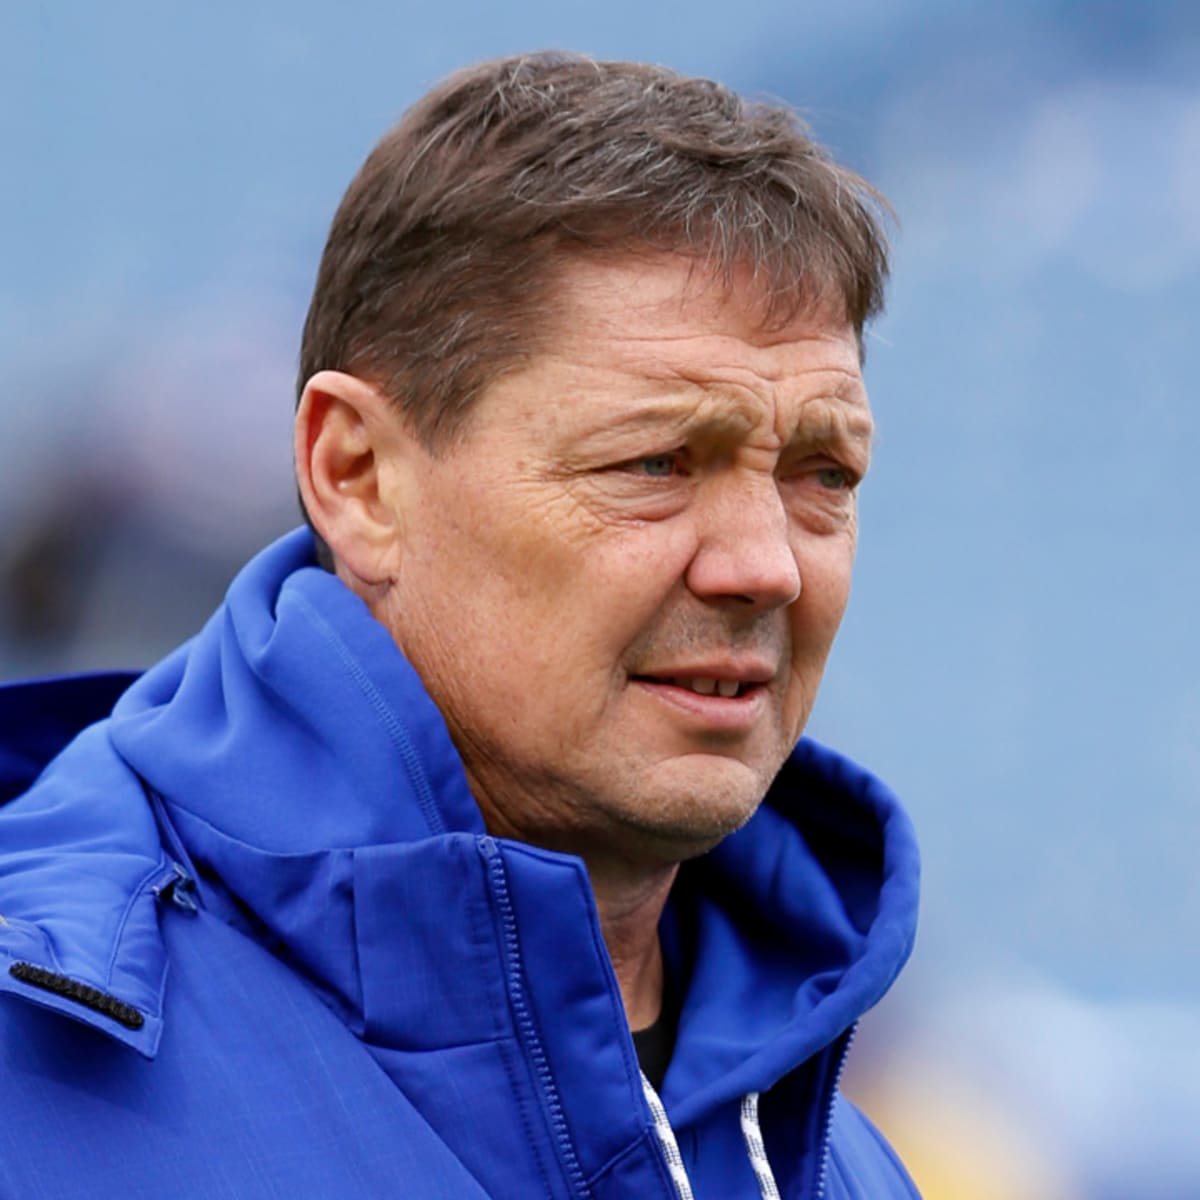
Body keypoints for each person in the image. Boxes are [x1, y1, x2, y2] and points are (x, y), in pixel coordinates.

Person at [0, 52, 921, 1199]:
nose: (766, 565)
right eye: (655, 462)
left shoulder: (842, 1161)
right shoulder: (36, 1058)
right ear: (358, 476)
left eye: (822, 474)